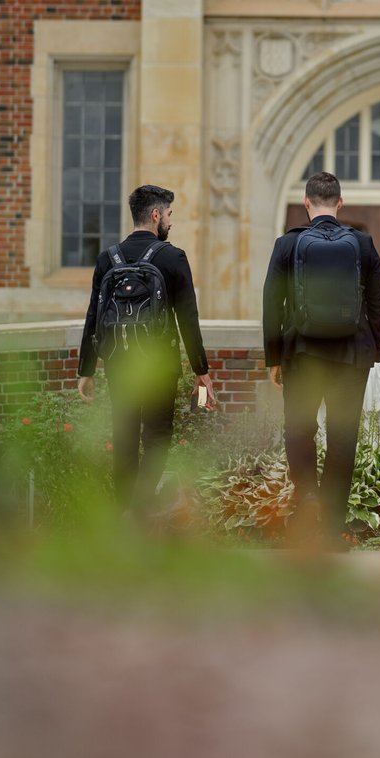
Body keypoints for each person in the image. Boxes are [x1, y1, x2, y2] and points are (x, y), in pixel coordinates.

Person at [261, 171, 380, 547]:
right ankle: (333, 527)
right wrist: (373, 352)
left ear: (306, 203)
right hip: (351, 357)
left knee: (299, 429)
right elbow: (379, 301)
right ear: (340, 203)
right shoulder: (362, 243)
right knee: (342, 436)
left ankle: (309, 499)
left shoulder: (288, 244)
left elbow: (272, 302)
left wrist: (274, 357)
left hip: (302, 354)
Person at [78, 185, 215, 515]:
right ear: (156, 215)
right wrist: (202, 372)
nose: (170, 221)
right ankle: (139, 509)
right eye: (169, 214)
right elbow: (188, 318)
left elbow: (94, 315)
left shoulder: (106, 259)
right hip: (158, 364)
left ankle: (124, 510)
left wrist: (86, 369)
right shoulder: (172, 257)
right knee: (157, 435)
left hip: (118, 362)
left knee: (123, 434)